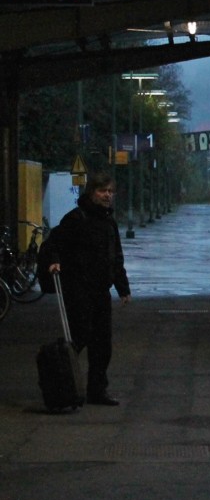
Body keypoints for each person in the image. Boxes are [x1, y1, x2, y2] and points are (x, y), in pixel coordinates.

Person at [45, 172, 132, 406]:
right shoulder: (76, 218)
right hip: (79, 289)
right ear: (91, 193)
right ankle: (61, 381)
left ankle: (97, 390)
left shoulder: (109, 223)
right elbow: (54, 242)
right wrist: (54, 260)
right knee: (80, 335)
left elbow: (116, 257)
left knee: (102, 344)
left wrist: (122, 287)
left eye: (110, 192)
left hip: (100, 291)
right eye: (102, 191)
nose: (107, 196)